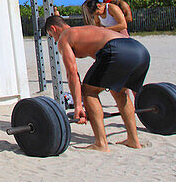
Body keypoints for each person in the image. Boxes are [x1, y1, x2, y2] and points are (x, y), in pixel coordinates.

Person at [45, 13, 149, 152]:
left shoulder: (65, 37)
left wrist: (78, 107)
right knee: (120, 92)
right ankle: (133, 140)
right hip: (139, 50)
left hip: (117, 49)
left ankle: (101, 143)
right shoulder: (84, 30)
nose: (55, 40)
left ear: (53, 28)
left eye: (52, 36)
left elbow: (72, 74)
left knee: (88, 91)